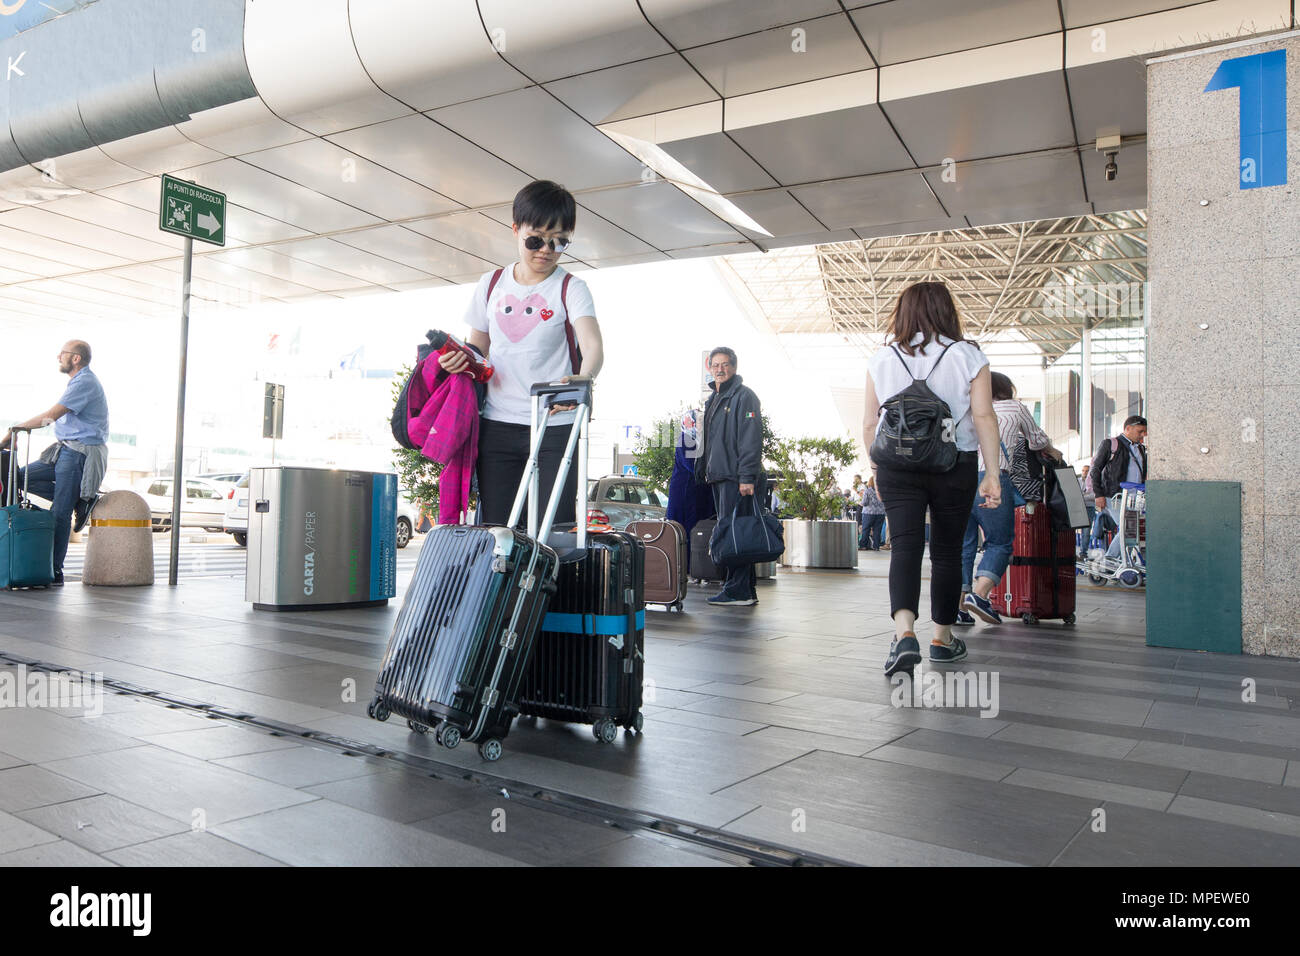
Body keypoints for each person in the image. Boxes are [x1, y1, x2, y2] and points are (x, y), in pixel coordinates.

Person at [439, 180, 604, 527]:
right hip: (497, 425)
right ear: (515, 230)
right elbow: (478, 349)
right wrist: (460, 361)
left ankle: (550, 584)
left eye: (559, 241)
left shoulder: (571, 287)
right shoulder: (492, 283)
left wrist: (581, 382)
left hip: (554, 425)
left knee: (551, 531)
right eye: (535, 239)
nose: (546, 249)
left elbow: (592, 346)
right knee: (498, 532)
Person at [863, 282, 1002, 674]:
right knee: (946, 550)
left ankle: (904, 634)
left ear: (902, 312)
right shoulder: (968, 355)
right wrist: (992, 474)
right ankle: (942, 637)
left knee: (905, 546)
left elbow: (870, 422)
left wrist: (876, 470)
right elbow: (984, 416)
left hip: (896, 465)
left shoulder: (883, 357)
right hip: (953, 462)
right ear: (947, 310)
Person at [955, 372, 1064, 626]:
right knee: (1000, 542)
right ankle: (980, 595)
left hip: (960, 480)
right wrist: (1051, 450)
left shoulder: (966, 409)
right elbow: (1037, 440)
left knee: (964, 546)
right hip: (992, 478)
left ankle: (958, 607)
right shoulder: (1014, 407)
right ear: (1006, 388)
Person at [0, 340, 109, 586]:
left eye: (63, 353)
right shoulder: (77, 382)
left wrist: (13, 431)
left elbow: (50, 416)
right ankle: (78, 499)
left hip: (77, 454)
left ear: (76, 358)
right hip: (63, 452)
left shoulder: (85, 382)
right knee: (17, 477)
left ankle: (55, 570)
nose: (58, 356)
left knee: (60, 514)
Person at [697, 346, 764, 607]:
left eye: (725, 364)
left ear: (734, 367)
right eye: (715, 365)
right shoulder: (715, 398)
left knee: (736, 531)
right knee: (735, 531)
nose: (720, 369)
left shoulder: (744, 397)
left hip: (737, 478)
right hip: (721, 475)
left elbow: (750, 438)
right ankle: (743, 588)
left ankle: (738, 590)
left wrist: (746, 476)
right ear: (709, 368)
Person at [1091, 415, 1147, 561]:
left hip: (1135, 498)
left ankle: (1119, 561)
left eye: (1144, 432)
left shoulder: (1140, 448)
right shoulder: (1111, 444)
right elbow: (1095, 469)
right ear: (1128, 428)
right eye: (1140, 431)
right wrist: (1098, 494)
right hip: (1115, 496)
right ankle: (1109, 560)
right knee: (1126, 529)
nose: (1143, 435)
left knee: (1131, 531)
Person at [859, 477, 886, 550]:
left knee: (866, 529)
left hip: (868, 513)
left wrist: (859, 503)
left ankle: (863, 546)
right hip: (880, 513)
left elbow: (864, 503)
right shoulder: (882, 490)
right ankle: (876, 546)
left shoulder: (868, 491)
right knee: (877, 530)